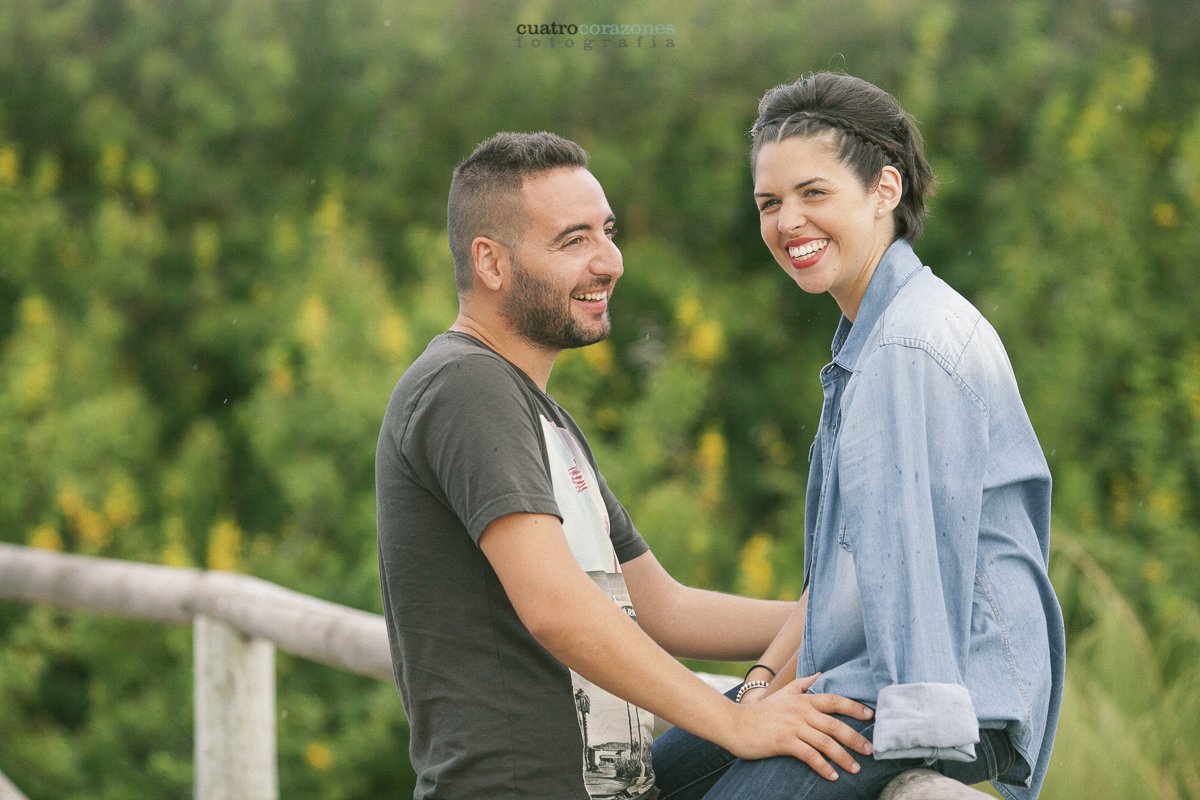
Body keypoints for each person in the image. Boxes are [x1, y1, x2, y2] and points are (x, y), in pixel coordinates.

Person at [375, 131, 877, 800]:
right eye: (573, 241)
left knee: (848, 708)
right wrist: (737, 722)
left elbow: (663, 609)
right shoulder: (465, 387)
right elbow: (556, 607)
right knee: (856, 732)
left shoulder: (539, 414)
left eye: (607, 233)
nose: (610, 262)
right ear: (490, 262)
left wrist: (842, 615)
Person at [652, 73, 1066, 800]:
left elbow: (913, 571)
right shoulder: (870, 339)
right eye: (769, 203)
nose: (788, 222)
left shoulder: (906, 346)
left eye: (813, 193)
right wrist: (757, 693)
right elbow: (842, 578)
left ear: (884, 190)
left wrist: (912, 723)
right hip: (881, 679)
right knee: (652, 777)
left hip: (944, 692)